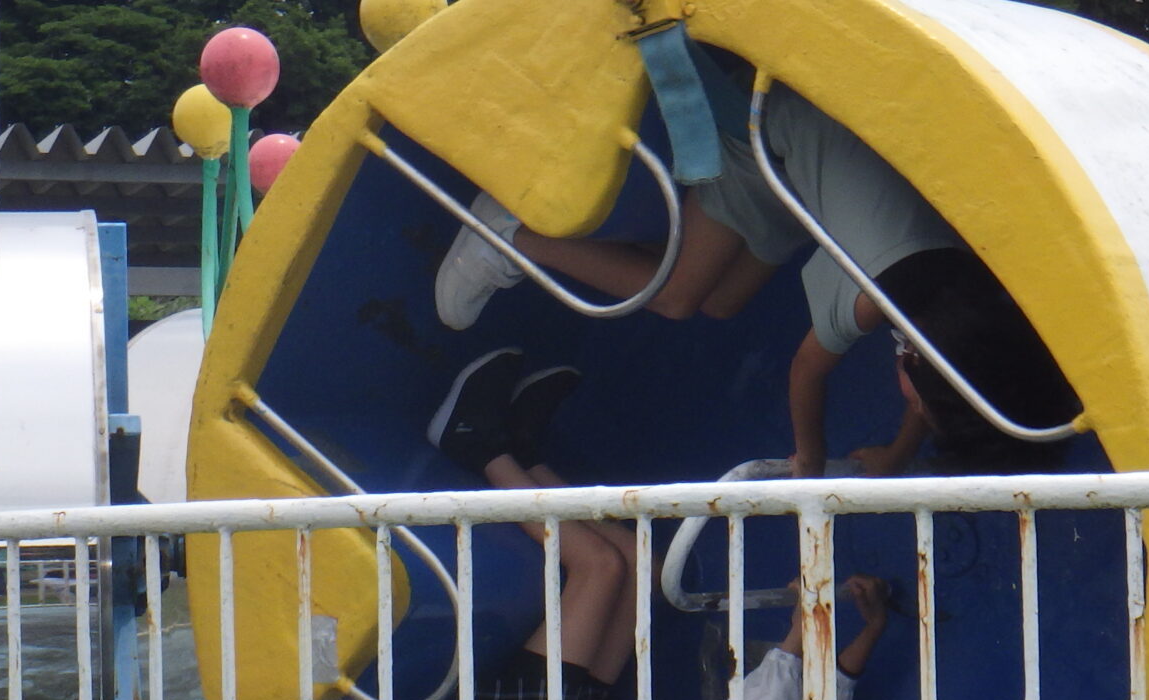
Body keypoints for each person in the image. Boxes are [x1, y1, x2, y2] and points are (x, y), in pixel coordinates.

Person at [431, 85, 1077, 476]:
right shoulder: (869, 296)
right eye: (914, 404)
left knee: (722, 300)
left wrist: (904, 449)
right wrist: (810, 461)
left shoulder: (965, 302)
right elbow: (807, 373)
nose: (907, 403)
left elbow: (948, 387)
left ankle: (615, 247)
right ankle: (507, 233)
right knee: (681, 298)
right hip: (767, 137)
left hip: (811, 174)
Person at [428, 346, 894, 700]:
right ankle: (527, 459)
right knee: (645, 567)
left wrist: (796, 634)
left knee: (600, 569)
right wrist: (872, 628)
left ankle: (478, 446)